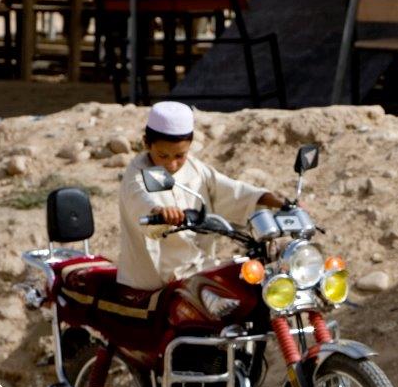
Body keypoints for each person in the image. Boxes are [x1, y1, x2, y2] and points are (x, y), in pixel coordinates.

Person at [117, 101, 286, 290]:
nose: (172, 165)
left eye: (179, 155)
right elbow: (141, 201)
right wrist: (161, 212)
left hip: (197, 270)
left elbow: (232, 190)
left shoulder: (195, 169)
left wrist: (276, 201)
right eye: (163, 156)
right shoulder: (138, 175)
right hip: (153, 282)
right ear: (147, 143)